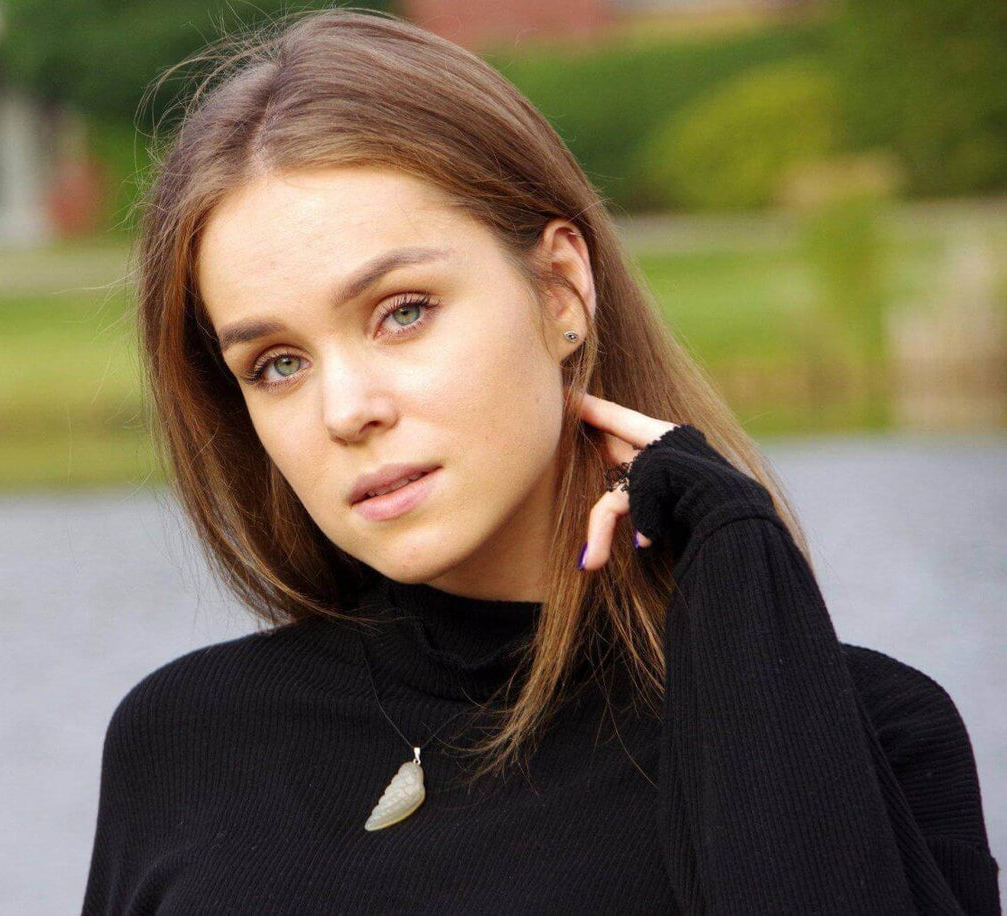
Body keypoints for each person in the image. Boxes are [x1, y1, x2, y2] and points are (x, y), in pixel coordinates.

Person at [81, 9, 999, 914]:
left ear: (560, 289)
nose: (346, 410)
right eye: (277, 364)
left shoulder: (869, 732)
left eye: (402, 311)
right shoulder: (186, 742)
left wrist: (738, 560)